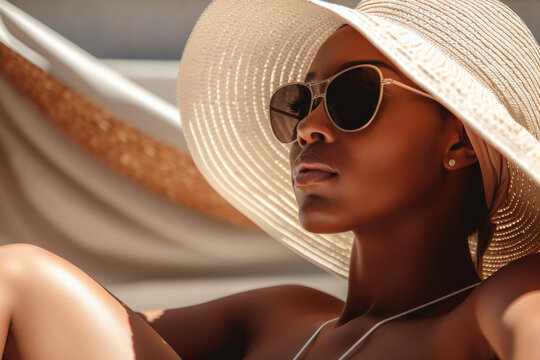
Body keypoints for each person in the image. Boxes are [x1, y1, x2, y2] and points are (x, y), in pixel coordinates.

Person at [0, 0, 539, 359]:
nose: (307, 127)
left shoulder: (502, 301)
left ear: (461, 143)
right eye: (300, 102)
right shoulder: (272, 316)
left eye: (355, 96)